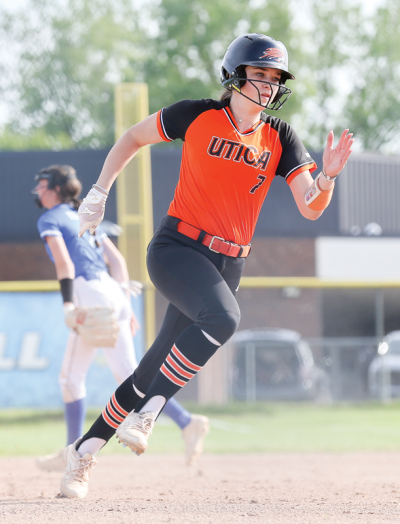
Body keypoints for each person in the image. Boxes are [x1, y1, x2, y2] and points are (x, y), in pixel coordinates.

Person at [59, 32, 353, 499]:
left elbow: (311, 207)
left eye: (275, 78)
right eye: (259, 74)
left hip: (228, 262)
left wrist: (330, 177)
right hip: (178, 249)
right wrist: (98, 191)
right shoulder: (197, 115)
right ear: (235, 76)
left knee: (148, 368)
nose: (268, 85)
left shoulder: (280, 135)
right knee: (225, 318)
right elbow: (133, 137)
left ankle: (83, 452)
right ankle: (152, 412)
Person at [32, 165, 210, 473]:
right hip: (114, 292)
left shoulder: (49, 218)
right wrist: (125, 308)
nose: (38, 190)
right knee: (126, 374)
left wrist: (68, 305)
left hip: (88, 296)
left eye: (43, 185)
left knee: (74, 379)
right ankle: (186, 422)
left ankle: (73, 452)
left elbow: (63, 262)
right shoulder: (84, 218)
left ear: (57, 189)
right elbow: (116, 260)